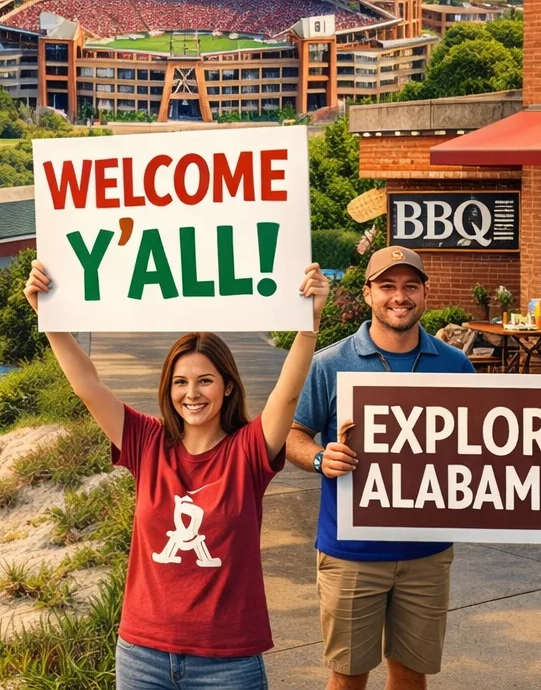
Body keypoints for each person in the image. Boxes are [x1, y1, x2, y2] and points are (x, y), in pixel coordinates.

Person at [23, 259, 329, 690]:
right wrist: (49, 317)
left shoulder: (249, 451)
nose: (192, 393)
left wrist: (308, 326)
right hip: (142, 656)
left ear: (227, 386)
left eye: (205, 380)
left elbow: (288, 392)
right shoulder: (147, 442)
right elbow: (87, 386)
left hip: (228, 663)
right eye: (180, 382)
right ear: (168, 388)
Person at [284, 247, 473, 690]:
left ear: (426, 293)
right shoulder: (330, 364)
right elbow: (293, 434)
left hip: (426, 554)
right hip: (352, 553)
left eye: (410, 286)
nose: (399, 297)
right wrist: (319, 457)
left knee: (411, 676)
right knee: (347, 677)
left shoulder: (455, 365)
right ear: (369, 293)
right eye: (387, 286)